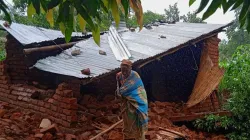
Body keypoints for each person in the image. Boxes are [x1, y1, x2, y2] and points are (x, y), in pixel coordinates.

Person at [116, 59, 148, 140]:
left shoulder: (135, 75)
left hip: (137, 102)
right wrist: (120, 92)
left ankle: (139, 137)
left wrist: (122, 92)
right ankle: (128, 137)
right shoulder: (119, 75)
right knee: (127, 122)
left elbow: (133, 89)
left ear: (130, 68)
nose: (124, 72)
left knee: (137, 121)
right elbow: (120, 89)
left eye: (126, 70)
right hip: (126, 103)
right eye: (122, 69)